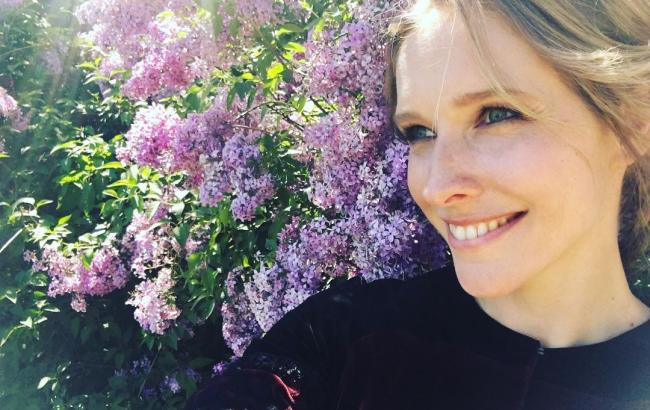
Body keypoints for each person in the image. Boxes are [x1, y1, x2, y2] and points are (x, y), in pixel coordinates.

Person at [186, 1, 650, 408]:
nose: (438, 186)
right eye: (420, 132)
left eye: (496, 114)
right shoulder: (344, 341)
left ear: (634, 121)